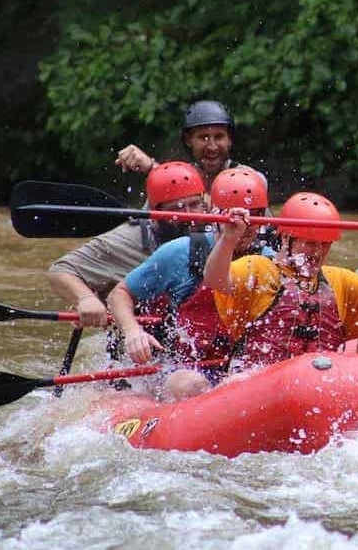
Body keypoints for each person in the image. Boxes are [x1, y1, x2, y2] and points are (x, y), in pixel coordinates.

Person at [106, 168, 276, 400]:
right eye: (233, 216)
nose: (245, 225)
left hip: (239, 366)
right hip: (183, 369)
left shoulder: (270, 261)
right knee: (192, 385)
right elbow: (119, 294)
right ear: (216, 213)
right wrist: (133, 331)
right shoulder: (179, 252)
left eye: (253, 214)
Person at [204, 192, 358, 369]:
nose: (318, 252)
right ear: (286, 238)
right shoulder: (258, 268)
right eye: (311, 243)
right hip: (258, 381)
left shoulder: (337, 280)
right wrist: (228, 239)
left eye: (325, 245)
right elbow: (215, 279)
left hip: (319, 380)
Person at [47, 161, 207, 327]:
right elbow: (61, 271)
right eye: (178, 208)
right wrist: (86, 299)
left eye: (195, 205)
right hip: (144, 337)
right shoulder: (128, 240)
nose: (190, 216)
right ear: (157, 212)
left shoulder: (218, 231)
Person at [114, 100, 241, 185]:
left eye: (219, 137)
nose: (212, 146)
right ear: (188, 140)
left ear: (229, 139)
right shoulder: (178, 177)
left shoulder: (251, 179)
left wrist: (152, 169)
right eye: (204, 138)